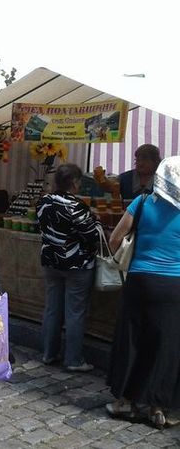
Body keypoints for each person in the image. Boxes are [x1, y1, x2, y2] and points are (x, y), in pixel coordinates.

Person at [106, 155, 180, 429]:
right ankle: (157, 406)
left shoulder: (143, 202)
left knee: (132, 339)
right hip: (174, 286)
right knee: (166, 346)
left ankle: (123, 401)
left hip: (139, 280)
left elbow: (115, 239)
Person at [36, 163, 101, 372]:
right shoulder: (77, 206)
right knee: (75, 312)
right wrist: (96, 220)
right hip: (76, 265)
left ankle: (48, 353)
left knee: (52, 308)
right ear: (74, 182)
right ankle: (73, 360)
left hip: (51, 262)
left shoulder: (43, 201)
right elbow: (92, 236)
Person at [96, 144, 161, 200]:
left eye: (145, 160)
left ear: (155, 162)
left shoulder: (163, 180)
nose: (140, 163)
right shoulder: (126, 177)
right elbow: (111, 187)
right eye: (138, 160)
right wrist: (102, 180)